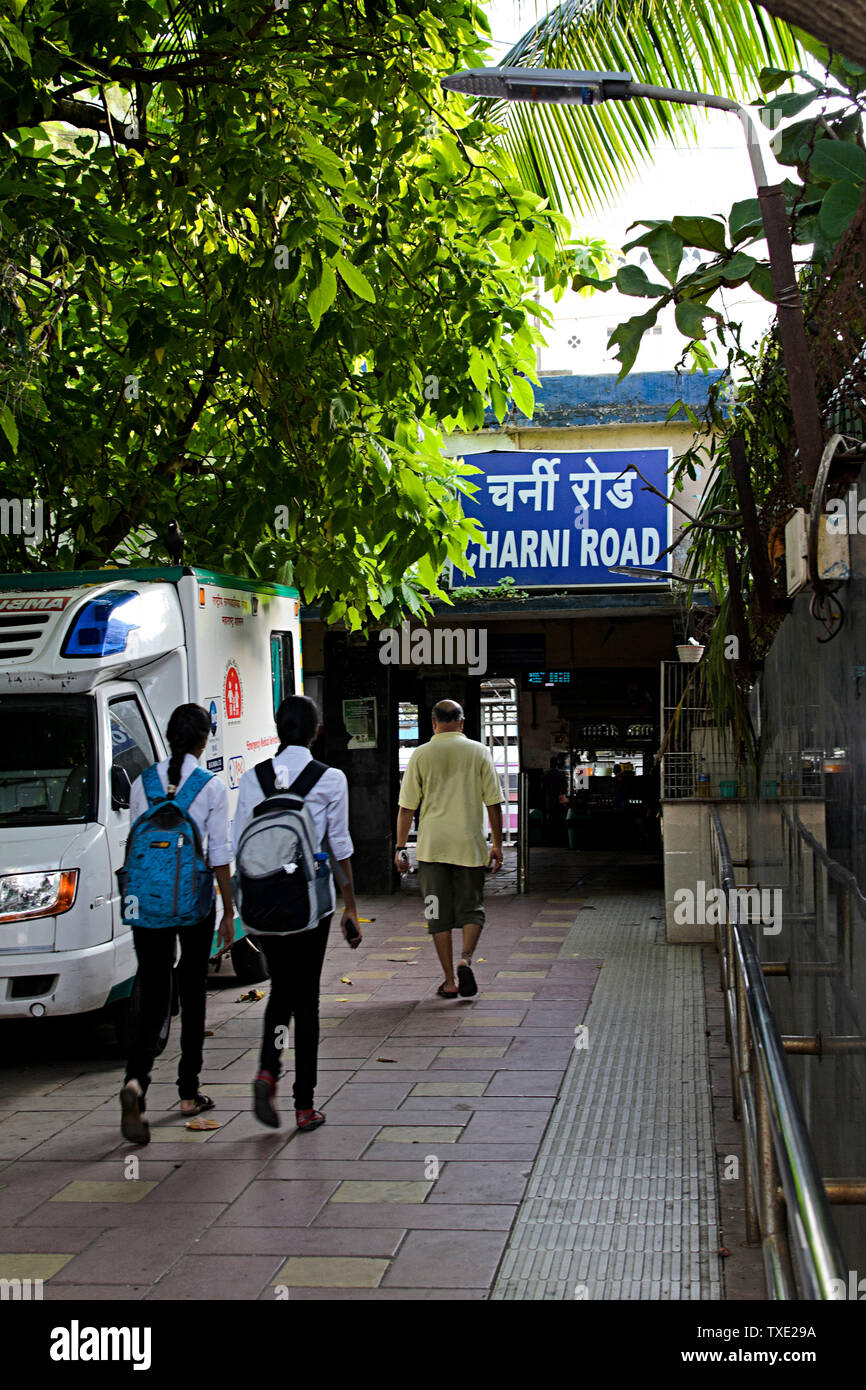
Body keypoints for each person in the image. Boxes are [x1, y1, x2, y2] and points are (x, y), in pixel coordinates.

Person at [232, 694, 361, 1132]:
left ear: (276, 729)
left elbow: (238, 845)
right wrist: (351, 907)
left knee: (281, 990)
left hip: (263, 904)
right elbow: (339, 847)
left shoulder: (253, 779)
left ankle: (268, 1069)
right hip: (309, 906)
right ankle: (304, 1105)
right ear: (316, 732)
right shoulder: (331, 779)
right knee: (306, 999)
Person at [120, 704, 235, 1145]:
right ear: (204, 740)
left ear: (168, 737)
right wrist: (228, 912)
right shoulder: (209, 786)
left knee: (153, 991)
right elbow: (219, 855)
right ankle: (188, 1092)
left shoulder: (141, 783)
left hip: (147, 904)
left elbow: (136, 843)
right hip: (194, 903)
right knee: (192, 989)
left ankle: (136, 1081)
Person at [395, 699, 503, 999]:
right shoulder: (479, 751)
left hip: (432, 848)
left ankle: (449, 981)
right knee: (473, 908)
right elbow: (493, 802)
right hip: (469, 846)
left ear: (433, 723)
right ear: (462, 722)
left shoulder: (421, 754)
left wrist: (401, 848)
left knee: (436, 913)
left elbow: (406, 808)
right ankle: (464, 960)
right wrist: (496, 843)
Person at [542, 755, 569, 845]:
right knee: (560, 819)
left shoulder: (546, 774)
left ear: (550, 764)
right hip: (559, 800)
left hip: (549, 800)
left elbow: (543, 788)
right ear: (557, 763)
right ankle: (560, 839)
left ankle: (551, 839)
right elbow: (565, 788)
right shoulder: (561, 773)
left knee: (550, 819)